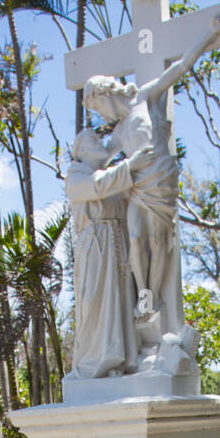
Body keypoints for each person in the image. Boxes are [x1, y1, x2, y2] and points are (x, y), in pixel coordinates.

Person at [83, 8, 220, 332]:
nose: (101, 114)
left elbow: (180, 66)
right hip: (137, 186)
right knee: (135, 236)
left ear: (107, 93)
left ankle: (154, 299)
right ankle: (146, 296)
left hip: (160, 179)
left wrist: (211, 33)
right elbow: (99, 162)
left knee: (156, 237)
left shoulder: (144, 96)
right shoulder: (118, 133)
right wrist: (77, 172)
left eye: (98, 106)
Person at [65, 128, 145, 380]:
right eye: (93, 140)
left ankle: (119, 361)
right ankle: (94, 362)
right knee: (96, 302)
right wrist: (129, 165)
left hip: (118, 242)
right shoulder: (76, 175)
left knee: (120, 300)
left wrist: (119, 144)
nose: (99, 142)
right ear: (81, 150)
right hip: (96, 244)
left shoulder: (107, 174)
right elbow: (97, 186)